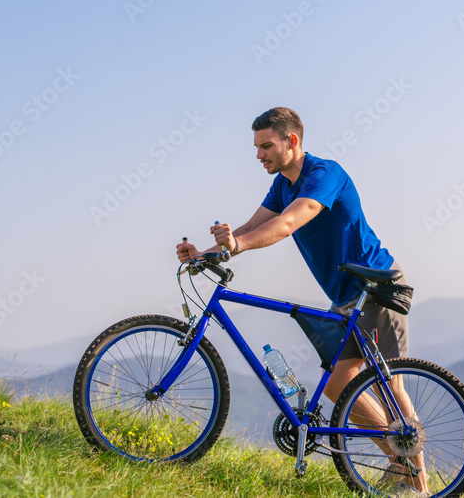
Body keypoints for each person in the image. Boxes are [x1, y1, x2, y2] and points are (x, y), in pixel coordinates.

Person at [175, 107, 426, 492]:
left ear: (291, 141)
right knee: (338, 386)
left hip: (376, 287)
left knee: (388, 387)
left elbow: (289, 222)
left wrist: (237, 244)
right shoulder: (282, 185)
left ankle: (419, 486)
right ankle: (398, 463)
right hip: (346, 296)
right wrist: (206, 255)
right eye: (257, 148)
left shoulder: (324, 174)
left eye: (266, 146)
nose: (259, 155)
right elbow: (250, 227)